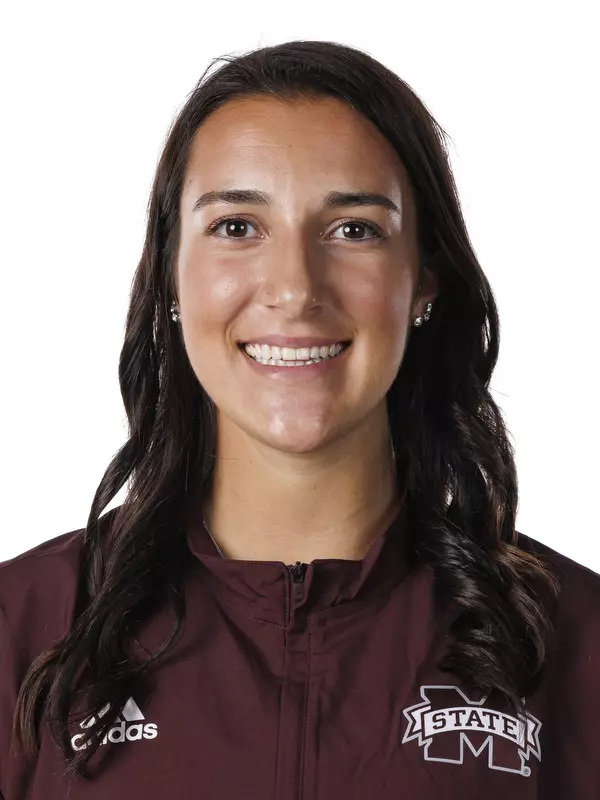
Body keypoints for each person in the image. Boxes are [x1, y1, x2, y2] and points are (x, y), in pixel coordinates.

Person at [0, 39, 598, 800]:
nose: (294, 287)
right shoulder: (21, 627)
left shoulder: (575, 639)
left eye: (354, 229)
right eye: (237, 226)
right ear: (172, 275)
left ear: (425, 280)